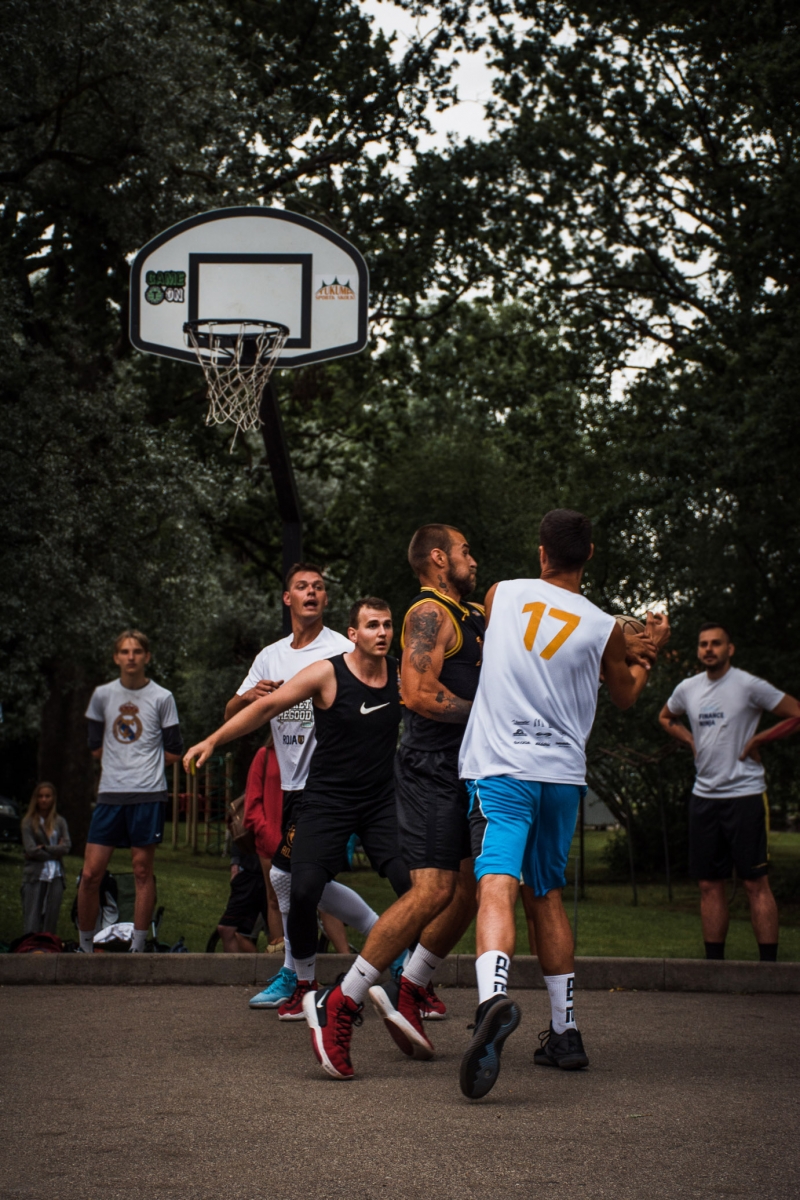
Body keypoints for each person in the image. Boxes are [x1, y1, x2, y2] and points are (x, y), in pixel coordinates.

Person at [456, 509, 670, 1099]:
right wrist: (647, 652)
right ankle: (566, 1031)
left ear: (543, 552)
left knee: (495, 881)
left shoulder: (503, 592)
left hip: (503, 766)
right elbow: (626, 695)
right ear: (590, 555)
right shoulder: (604, 627)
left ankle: (492, 1000)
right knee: (544, 893)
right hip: (560, 774)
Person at [301, 525, 485, 1080]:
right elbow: (421, 694)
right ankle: (344, 999)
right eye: (465, 550)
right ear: (437, 558)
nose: (472, 560)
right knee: (431, 889)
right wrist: (489, 714)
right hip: (429, 768)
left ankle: (412, 985)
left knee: (469, 892)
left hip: (466, 768)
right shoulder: (426, 614)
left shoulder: (473, 612)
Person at [224, 563, 379, 1010]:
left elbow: (375, 698)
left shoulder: (344, 648)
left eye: (318, 587)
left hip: (330, 785)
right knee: (299, 879)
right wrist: (250, 697)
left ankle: (295, 975)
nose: (311, 592)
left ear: (325, 600)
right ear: (287, 599)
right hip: (292, 787)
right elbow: (231, 711)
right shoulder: (270, 657)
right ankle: (389, 934)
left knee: (286, 877)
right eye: (301, 587)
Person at [659, 623, 800, 962]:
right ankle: (714, 970)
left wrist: (758, 739)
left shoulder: (748, 685)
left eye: (716, 644)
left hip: (745, 794)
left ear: (729, 649)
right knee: (709, 884)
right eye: (703, 644)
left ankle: (769, 970)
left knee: (755, 883)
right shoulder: (688, 688)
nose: (709, 649)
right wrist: (690, 739)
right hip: (704, 796)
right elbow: (666, 717)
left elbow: (796, 712)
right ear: (698, 650)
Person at [77, 630, 183, 954]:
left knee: (141, 870)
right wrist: (121, 761)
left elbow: (175, 750)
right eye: (124, 651)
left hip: (148, 794)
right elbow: (94, 747)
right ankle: (84, 949)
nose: (131, 656)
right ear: (116, 657)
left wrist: (144, 765)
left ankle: (138, 947)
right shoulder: (102, 696)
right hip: (110, 793)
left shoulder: (162, 697)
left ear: (147, 657)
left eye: (137, 651)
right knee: (91, 873)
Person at [20, 782, 71, 935]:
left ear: (53, 799)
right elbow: (30, 850)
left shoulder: (60, 821)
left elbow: (67, 846)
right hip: (35, 875)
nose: (44, 800)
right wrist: (55, 852)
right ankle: (30, 950)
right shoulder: (28, 822)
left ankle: (48, 950)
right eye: (40, 796)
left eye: (47, 796)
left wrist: (45, 848)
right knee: (32, 918)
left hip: (56, 874)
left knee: (51, 917)